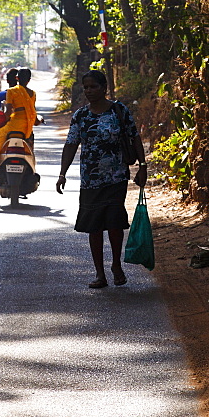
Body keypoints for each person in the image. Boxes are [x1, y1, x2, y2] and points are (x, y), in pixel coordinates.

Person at [56, 69, 147, 289]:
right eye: (85, 87)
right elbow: (71, 144)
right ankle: (99, 273)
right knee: (94, 226)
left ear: (104, 88)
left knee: (114, 223)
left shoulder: (119, 111)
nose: (89, 91)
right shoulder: (80, 116)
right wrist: (62, 173)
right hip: (90, 180)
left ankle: (116, 265)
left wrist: (142, 167)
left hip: (116, 177)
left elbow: (134, 138)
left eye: (93, 86)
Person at [0, 67, 37, 182]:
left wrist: (3, 120)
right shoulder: (33, 93)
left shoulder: (12, 91)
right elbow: (32, 111)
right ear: (29, 80)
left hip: (14, 125)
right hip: (27, 128)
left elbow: (8, 113)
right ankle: (31, 166)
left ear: (17, 78)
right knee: (30, 143)